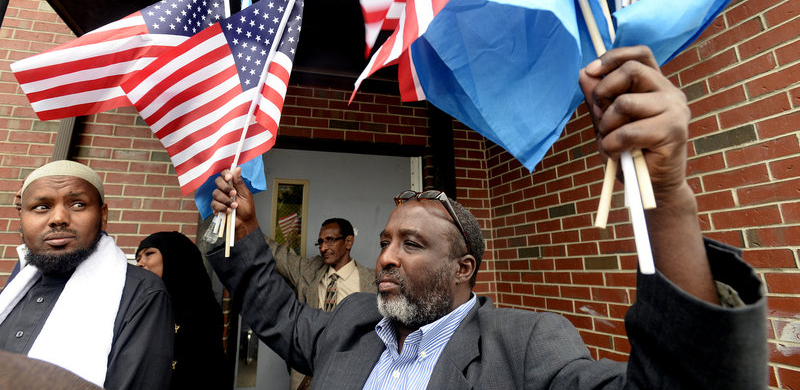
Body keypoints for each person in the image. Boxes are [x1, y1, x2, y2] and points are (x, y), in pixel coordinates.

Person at [206, 46, 768, 389]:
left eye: (412, 244)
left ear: (463, 268)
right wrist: (249, 232)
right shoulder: (351, 323)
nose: (385, 257)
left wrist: (666, 199)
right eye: (385, 241)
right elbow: (274, 308)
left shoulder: (525, 347)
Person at [0, 160, 174, 390]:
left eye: (78, 204)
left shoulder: (141, 293)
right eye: (42, 207)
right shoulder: (14, 291)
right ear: (21, 219)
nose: (58, 218)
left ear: (103, 216)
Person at [266, 218, 375, 389]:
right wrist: (245, 224)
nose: (323, 248)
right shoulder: (310, 270)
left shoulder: (372, 283)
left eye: (330, 240)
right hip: (307, 376)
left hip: (349, 374)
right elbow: (277, 253)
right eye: (320, 242)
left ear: (348, 241)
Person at [136, 231, 227, 390]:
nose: (140, 263)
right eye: (138, 258)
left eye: (149, 254)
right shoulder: (140, 307)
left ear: (174, 256)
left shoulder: (203, 311)